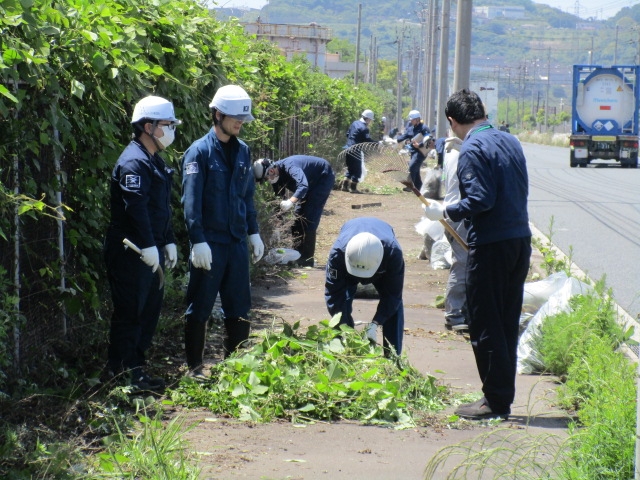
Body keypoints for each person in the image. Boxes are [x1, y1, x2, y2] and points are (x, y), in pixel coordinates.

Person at [422, 89, 531, 420]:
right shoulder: (509, 141)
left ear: (453, 121)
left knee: (484, 322)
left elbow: (480, 200)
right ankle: (501, 397)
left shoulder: (470, 149)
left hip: (492, 245)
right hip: (519, 241)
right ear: (482, 114)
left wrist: (446, 209)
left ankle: (494, 402)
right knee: (506, 320)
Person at [181, 85, 265, 378]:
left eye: (243, 118)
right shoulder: (199, 152)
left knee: (239, 306)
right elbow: (191, 202)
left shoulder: (243, 151)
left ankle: (235, 368)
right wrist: (198, 240)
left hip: (236, 243)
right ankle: (194, 368)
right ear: (217, 114)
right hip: (211, 243)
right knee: (200, 306)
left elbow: (246, 197)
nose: (240, 123)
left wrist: (253, 232)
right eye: (234, 118)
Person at [103, 95, 181, 392]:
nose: (172, 130)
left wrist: (168, 241)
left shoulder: (154, 161)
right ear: (148, 127)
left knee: (147, 313)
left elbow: (160, 209)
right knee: (130, 313)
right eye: (167, 125)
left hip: (150, 250)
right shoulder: (133, 162)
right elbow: (136, 209)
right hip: (131, 252)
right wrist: (149, 245)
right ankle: (122, 374)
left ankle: (137, 370)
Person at [324, 217, 405, 356]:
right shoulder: (338, 253)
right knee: (343, 301)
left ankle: (392, 356)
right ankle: (342, 346)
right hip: (348, 266)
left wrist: (375, 323)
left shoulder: (393, 253)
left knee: (394, 306)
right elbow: (334, 294)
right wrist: (344, 325)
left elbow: (393, 295)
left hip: (381, 264)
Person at [253, 155, 335, 267]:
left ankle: (307, 259)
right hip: (308, 182)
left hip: (322, 177)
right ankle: (297, 255)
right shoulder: (275, 178)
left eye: (267, 178)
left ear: (271, 170)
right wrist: (278, 224)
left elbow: (303, 186)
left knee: (309, 217)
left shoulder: (290, 166)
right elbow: (279, 199)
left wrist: (291, 201)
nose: (268, 181)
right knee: (297, 219)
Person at [440, 135, 469, 332]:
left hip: (449, 212)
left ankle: (462, 309)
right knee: (462, 263)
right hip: (457, 214)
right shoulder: (462, 154)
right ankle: (454, 313)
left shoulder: (449, 151)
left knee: (462, 262)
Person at [394, 110, 431, 190]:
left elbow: (428, 140)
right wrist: (394, 141)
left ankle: (409, 186)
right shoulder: (410, 129)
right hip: (413, 152)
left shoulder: (424, 128)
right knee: (416, 170)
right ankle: (419, 188)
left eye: (412, 119)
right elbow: (403, 136)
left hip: (420, 152)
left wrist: (419, 145)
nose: (411, 121)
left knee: (412, 166)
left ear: (417, 119)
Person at [341, 109, 375, 193]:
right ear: (367, 119)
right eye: (370, 120)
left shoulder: (354, 123)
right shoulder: (364, 128)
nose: (370, 121)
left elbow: (348, 134)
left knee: (350, 168)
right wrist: (377, 143)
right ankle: (353, 188)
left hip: (347, 148)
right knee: (357, 169)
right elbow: (367, 140)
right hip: (355, 150)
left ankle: (344, 186)